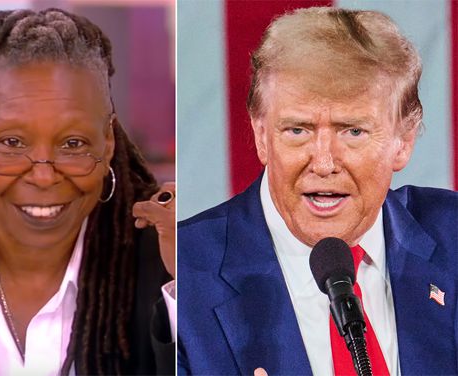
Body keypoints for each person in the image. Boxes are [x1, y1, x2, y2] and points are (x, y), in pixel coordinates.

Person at [0, 8, 175, 375]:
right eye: (12, 141)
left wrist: (195, 288)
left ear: (107, 142)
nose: (43, 176)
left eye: (73, 143)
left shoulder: (165, 265)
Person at [178, 6, 457, 376]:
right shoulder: (181, 277)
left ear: (403, 141)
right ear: (262, 136)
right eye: (298, 130)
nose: (323, 163)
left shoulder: (451, 237)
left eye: (352, 131)